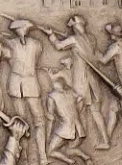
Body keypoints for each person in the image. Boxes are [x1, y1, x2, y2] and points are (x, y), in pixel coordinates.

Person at [46, 14, 110, 149]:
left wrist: (51, 35)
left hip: (81, 80)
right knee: (95, 111)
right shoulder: (91, 38)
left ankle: (73, 138)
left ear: (75, 26)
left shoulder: (74, 39)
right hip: (92, 79)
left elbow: (59, 46)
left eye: (74, 27)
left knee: (75, 109)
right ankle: (105, 140)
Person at [2, 18, 48, 164]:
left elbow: (36, 57)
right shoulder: (9, 44)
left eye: (24, 28)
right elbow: (5, 55)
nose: (22, 30)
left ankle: (42, 155)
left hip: (31, 83)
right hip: (16, 85)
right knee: (21, 122)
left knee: (39, 120)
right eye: (19, 28)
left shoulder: (36, 44)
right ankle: (24, 155)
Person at [45, 66, 93, 165]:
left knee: (50, 151)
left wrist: (48, 135)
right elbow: (81, 100)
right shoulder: (71, 93)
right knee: (70, 150)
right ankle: (85, 157)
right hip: (79, 129)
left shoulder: (52, 96)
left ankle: (70, 161)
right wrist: (76, 113)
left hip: (65, 129)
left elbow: (51, 118)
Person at [99, 22, 122, 144]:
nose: (110, 35)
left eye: (111, 33)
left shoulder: (116, 46)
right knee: (113, 109)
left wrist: (91, 52)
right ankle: (107, 139)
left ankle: (108, 140)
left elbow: (103, 60)